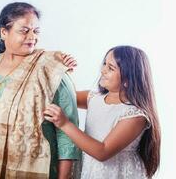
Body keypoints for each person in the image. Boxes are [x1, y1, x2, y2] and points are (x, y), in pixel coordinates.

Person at [0, 2, 80, 179]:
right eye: (24, 30)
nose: (32, 36)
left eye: (36, 31)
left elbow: (67, 137)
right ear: (4, 32)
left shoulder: (51, 70)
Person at [44, 45, 161, 179]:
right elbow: (62, 97)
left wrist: (65, 124)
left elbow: (102, 152)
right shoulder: (94, 98)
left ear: (128, 80)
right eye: (104, 63)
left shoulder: (135, 115)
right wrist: (63, 73)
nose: (103, 70)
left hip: (117, 173)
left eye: (110, 68)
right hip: (91, 170)